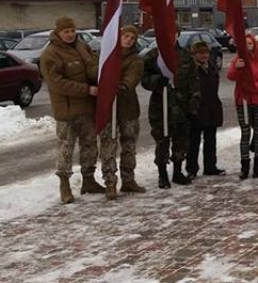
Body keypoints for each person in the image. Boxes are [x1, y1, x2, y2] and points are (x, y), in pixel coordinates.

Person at [41, 16, 100, 203]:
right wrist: (86, 90)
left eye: (72, 31)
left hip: (87, 109)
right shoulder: (50, 53)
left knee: (90, 145)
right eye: (66, 32)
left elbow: (94, 67)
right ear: (58, 33)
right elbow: (56, 83)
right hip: (67, 111)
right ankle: (65, 186)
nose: (70, 35)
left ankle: (89, 180)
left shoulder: (83, 47)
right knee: (66, 148)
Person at [97, 25, 146, 199]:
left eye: (132, 38)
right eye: (126, 36)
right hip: (108, 108)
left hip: (128, 108)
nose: (128, 40)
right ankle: (110, 182)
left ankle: (128, 180)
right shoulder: (106, 56)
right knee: (108, 146)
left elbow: (132, 78)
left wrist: (119, 86)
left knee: (129, 145)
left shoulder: (136, 59)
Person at [142, 36, 192, 188]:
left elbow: (193, 80)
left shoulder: (185, 55)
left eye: (174, 33)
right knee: (162, 141)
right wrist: (157, 80)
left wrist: (193, 104)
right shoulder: (152, 56)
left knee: (180, 141)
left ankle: (177, 172)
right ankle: (162, 175)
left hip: (181, 105)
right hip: (160, 106)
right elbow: (144, 79)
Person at [227, 33, 258, 179]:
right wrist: (237, 68)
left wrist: (251, 87)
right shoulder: (238, 60)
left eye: (250, 43)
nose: (248, 46)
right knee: (245, 134)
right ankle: (244, 166)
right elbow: (231, 76)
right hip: (243, 102)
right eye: (245, 44)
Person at [183, 40, 226, 177]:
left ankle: (210, 166)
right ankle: (192, 169)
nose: (204, 55)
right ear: (194, 54)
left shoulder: (212, 68)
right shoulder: (191, 69)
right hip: (196, 109)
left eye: (206, 52)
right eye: (201, 53)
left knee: (211, 140)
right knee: (194, 142)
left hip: (211, 107)